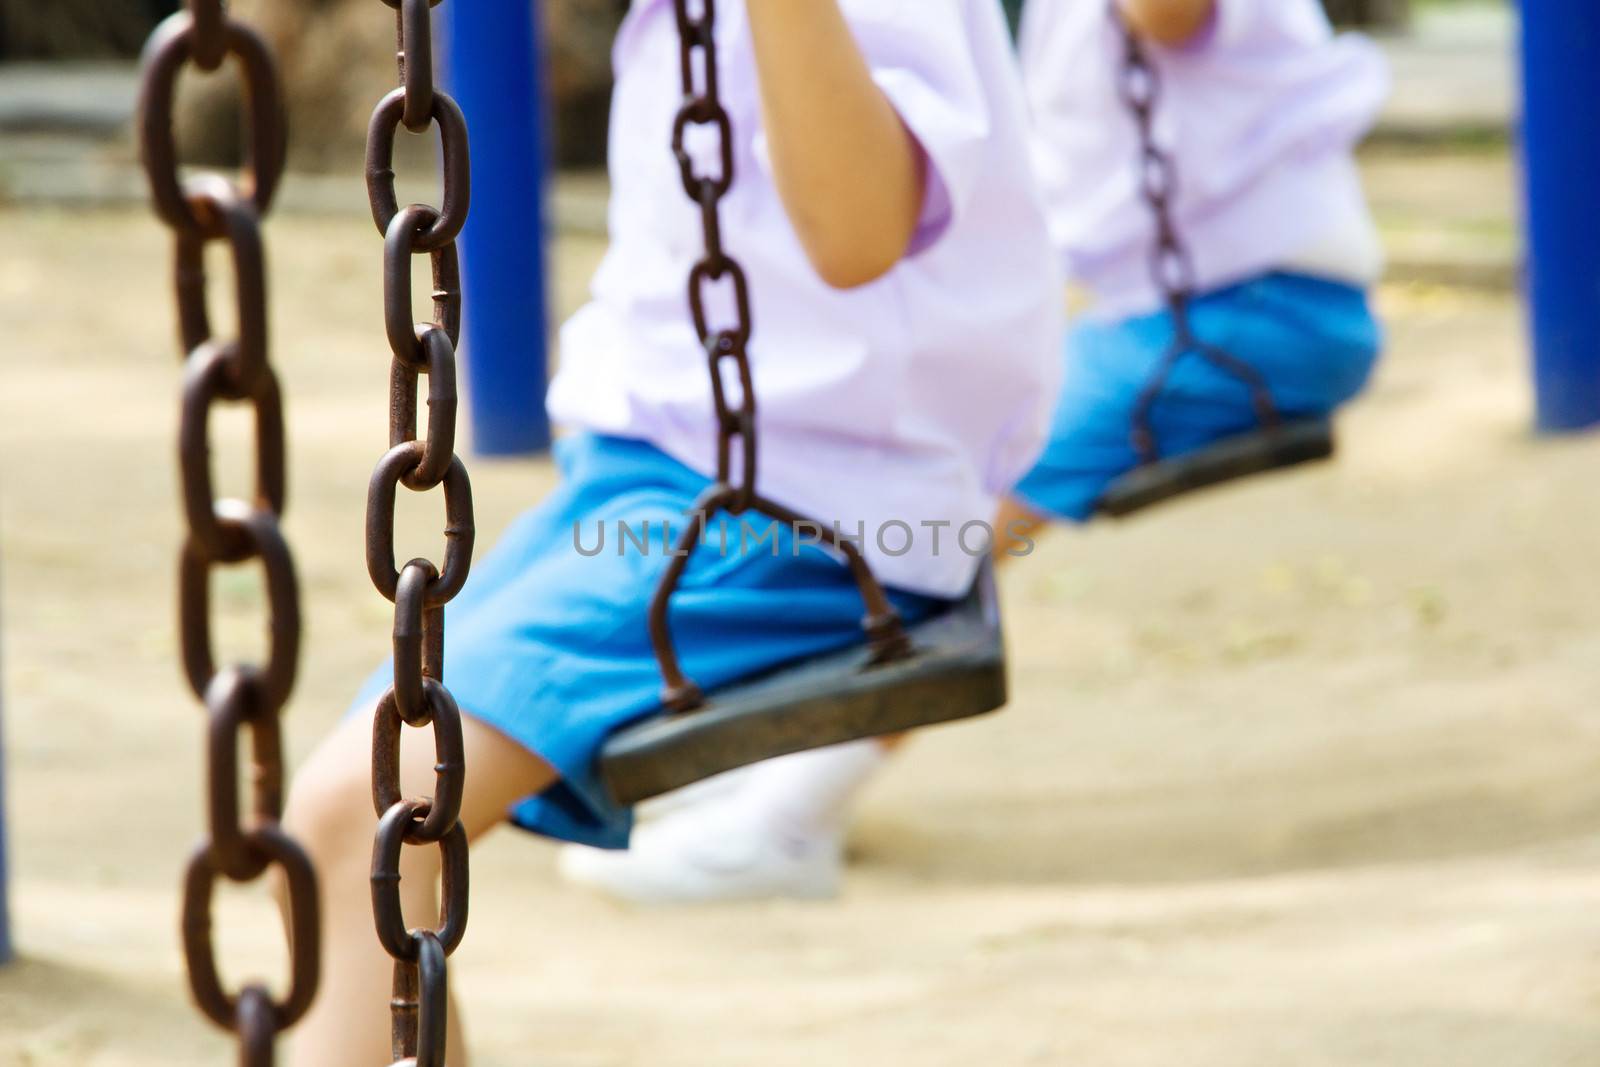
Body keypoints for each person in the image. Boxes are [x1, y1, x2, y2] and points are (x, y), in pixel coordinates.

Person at [280, 0, 1060, 1063]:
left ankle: (779, 824)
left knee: (359, 822)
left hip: (801, 507)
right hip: (670, 480)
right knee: (355, 824)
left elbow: (856, 229)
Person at [559, 0, 1388, 905]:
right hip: (1223, 307)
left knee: (954, 513)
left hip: (1247, 314)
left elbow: (1168, 15)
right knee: (945, 497)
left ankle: (789, 820)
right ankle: (775, 758)